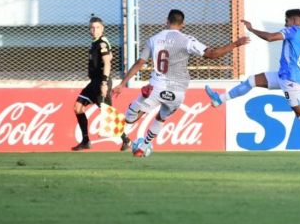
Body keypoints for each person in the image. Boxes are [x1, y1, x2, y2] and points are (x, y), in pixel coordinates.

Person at [204, 9, 300, 156]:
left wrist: (252, 29)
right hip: (283, 75)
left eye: (286, 20)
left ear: (294, 21)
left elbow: (270, 37)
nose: (285, 23)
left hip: (289, 79)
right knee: (251, 81)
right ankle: (219, 99)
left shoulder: (293, 31)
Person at [113, 9, 249, 157]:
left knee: (129, 118)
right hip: (177, 94)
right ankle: (144, 146)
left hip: (156, 87)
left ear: (167, 21)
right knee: (161, 117)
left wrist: (122, 83)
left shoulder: (153, 39)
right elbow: (212, 54)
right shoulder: (187, 40)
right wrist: (236, 44)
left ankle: (137, 110)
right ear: (182, 25)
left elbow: (140, 62)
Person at [72, 15, 131, 151]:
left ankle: (126, 140)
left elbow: (107, 63)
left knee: (107, 113)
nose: (94, 30)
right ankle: (86, 141)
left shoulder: (102, 43)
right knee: (78, 107)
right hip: (93, 82)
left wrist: (104, 83)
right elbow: (109, 56)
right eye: (92, 28)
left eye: (97, 27)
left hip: (101, 82)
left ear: (102, 28)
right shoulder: (96, 43)